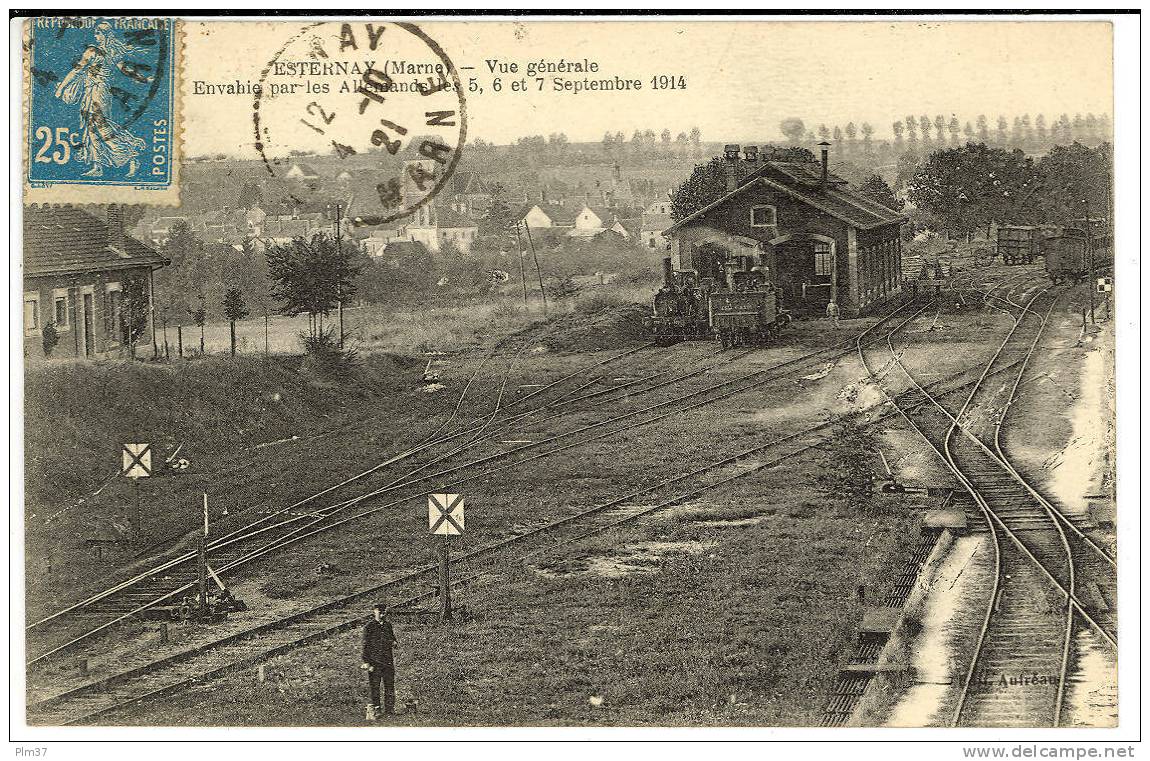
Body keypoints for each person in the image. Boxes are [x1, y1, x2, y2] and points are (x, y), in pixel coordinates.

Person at [361, 603, 398, 719]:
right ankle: (376, 710)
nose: (382, 614)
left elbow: (392, 638)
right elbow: (365, 645)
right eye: (379, 612)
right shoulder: (369, 627)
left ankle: (390, 709)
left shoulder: (388, 625)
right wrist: (366, 662)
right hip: (374, 662)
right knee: (375, 687)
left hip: (387, 661)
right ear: (374, 612)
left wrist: (394, 642)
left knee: (389, 685)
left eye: (383, 612)